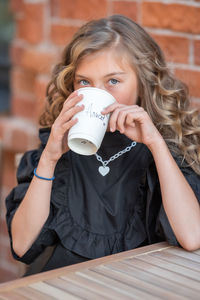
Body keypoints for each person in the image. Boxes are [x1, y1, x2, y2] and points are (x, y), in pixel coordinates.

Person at [6, 14, 200, 274]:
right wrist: (50, 157)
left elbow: (191, 236)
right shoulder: (61, 148)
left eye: (114, 81)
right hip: (63, 284)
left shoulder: (163, 148)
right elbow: (21, 245)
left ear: (143, 83)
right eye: (84, 82)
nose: (100, 94)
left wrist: (155, 143)